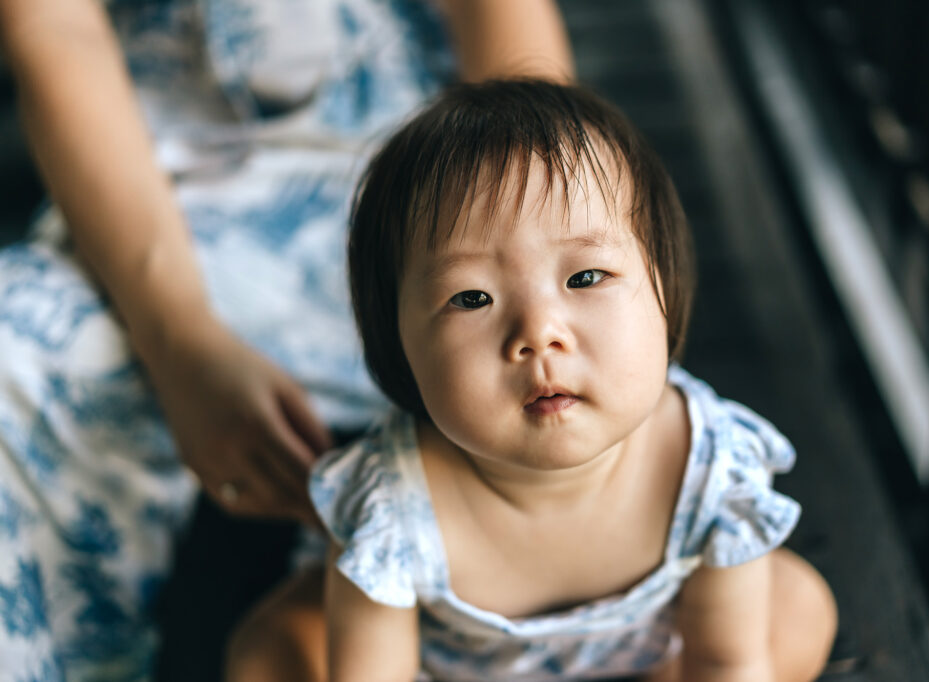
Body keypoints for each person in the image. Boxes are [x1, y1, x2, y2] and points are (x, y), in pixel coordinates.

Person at [0, 1, 572, 680]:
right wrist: (181, 339)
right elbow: (53, 23)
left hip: (433, 193)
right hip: (145, 193)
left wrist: (542, 250)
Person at [228, 79, 838, 682]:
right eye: (471, 297)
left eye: (586, 278)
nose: (539, 333)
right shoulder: (393, 505)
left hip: (654, 654)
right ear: (398, 347)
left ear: (664, 292)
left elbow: (727, 662)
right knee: (270, 654)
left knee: (797, 606)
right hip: (442, 667)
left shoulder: (709, 467)